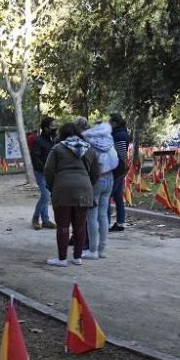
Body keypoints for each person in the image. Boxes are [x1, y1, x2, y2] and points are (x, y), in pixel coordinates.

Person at [43, 122, 100, 266]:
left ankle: (62, 259)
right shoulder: (90, 150)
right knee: (80, 226)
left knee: (62, 226)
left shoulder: (57, 148)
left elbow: (48, 170)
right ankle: (77, 257)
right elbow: (96, 173)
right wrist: (87, 185)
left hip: (62, 189)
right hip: (84, 189)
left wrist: (51, 187)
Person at [74, 117, 118, 259]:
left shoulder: (87, 142)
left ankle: (92, 250)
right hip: (110, 178)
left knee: (91, 216)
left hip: (95, 180)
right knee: (103, 215)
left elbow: (84, 163)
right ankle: (102, 250)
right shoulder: (109, 139)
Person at [30, 117, 58, 230]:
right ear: (46, 128)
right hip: (41, 173)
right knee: (46, 196)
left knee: (46, 196)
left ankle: (45, 220)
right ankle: (35, 218)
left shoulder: (52, 141)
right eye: (52, 126)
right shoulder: (38, 141)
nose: (55, 128)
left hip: (51, 173)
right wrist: (44, 169)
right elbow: (35, 158)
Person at [109, 112, 130, 232]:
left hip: (117, 169)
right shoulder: (121, 133)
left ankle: (105, 223)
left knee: (106, 197)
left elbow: (121, 154)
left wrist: (116, 166)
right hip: (120, 168)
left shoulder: (119, 135)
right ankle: (120, 223)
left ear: (115, 123)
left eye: (110, 122)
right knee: (117, 197)